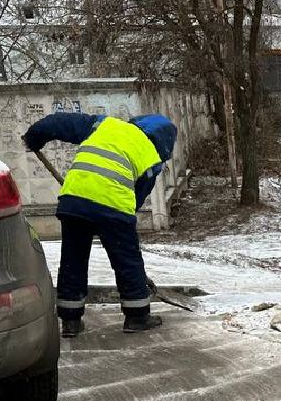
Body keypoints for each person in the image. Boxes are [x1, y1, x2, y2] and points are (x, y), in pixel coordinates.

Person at [22, 110, 178, 337]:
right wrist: (119, 228)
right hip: (114, 208)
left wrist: (35, 136)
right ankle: (137, 316)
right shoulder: (150, 156)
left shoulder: (104, 125)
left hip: (74, 201)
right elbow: (136, 197)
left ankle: (70, 321)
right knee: (127, 261)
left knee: (73, 260)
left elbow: (61, 122)